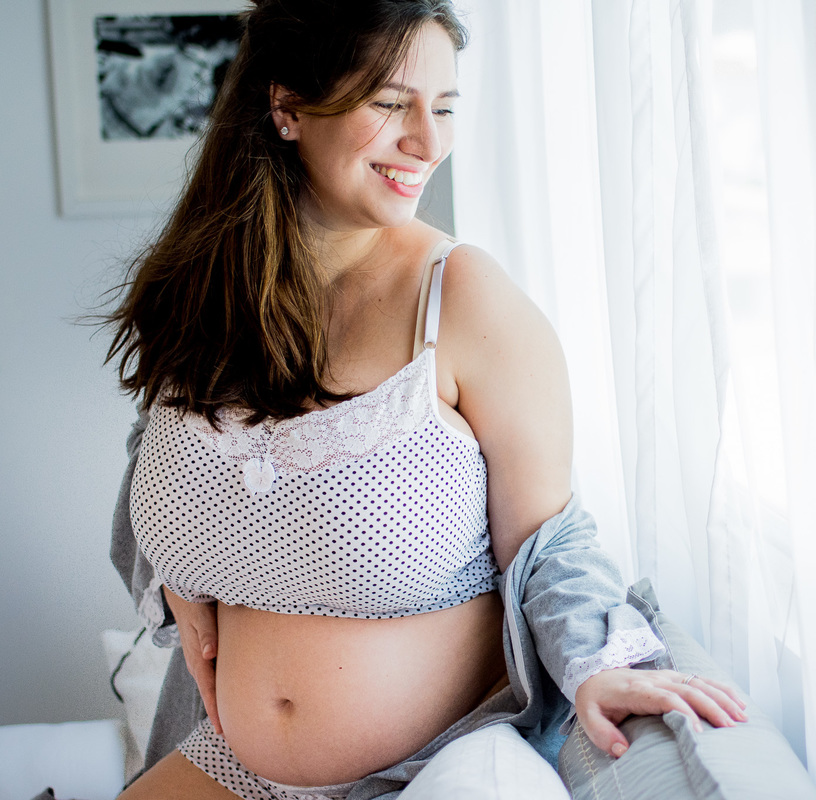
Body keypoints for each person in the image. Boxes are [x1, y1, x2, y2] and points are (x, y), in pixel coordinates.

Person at [103, 1, 747, 798]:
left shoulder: (462, 300)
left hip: (425, 767)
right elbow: (160, 473)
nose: (428, 142)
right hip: (231, 766)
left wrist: (598, 662)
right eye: (390, 103)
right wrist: (178, 581)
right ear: (288, 106)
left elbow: (548, 541)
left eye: (443, 108)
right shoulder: (203, 299)